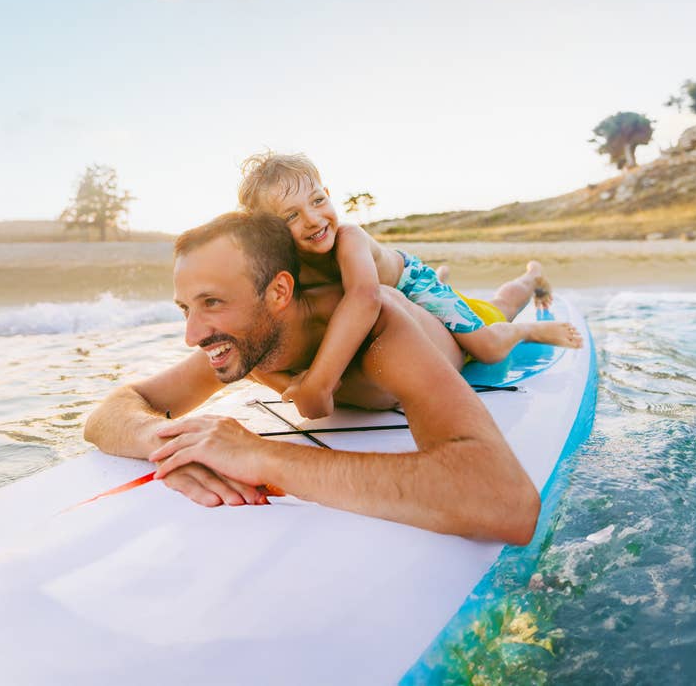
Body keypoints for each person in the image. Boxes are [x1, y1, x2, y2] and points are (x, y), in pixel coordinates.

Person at [82, 211, 541, 543]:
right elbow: (112, 410)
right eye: (187, 308)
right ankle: (443, 276)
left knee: (500, 306)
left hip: (454, 335)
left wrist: (261, 455)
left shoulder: (378, 331)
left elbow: (503, 502)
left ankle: (529, 278)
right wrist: (171, 443)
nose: (192, 335)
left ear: (279, 291)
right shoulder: (246, 343)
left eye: (213, 302)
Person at [237, 151, 582, 419]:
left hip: (411, 282)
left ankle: (529, 304)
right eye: (291, 216)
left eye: (317, 201)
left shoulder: (349, 238)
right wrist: (290, 384)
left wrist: (319, 382)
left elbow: (362, 297)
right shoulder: (285, 269)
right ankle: (448, 280)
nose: (313, 219)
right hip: (393, 306)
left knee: (486, 346)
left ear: (327, 194)